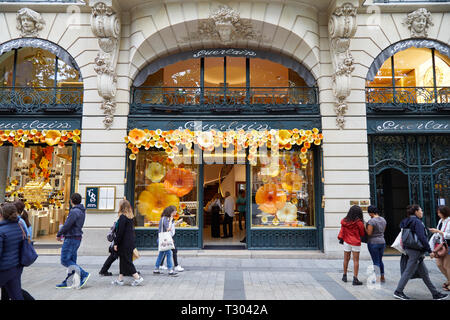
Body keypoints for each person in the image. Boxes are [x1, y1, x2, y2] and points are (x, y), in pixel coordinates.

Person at [393, 204, 448, 300]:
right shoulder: (417, 222)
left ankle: (435, 294)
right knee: (408, 271)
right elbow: (422, 237)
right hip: (415, 250)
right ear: (416, 212)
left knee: (424, 273)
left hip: (410, 248)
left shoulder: (407, 220)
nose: (422, 212)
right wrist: (429, 250)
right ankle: (398, 291)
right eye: (421, 210)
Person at [56, 193, 90, 289]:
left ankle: (84, 274)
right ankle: (69, 281)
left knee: (65, 260)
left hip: (71, 238)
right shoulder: (81, 211)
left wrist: (59, 234)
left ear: (71, 201)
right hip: (76, 237)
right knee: (72, 261)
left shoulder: (74, 211)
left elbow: (67, 225)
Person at [112, 200, 143, 286]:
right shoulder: (130, 218)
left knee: (127, 261)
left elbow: (120, 232)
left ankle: (137, 278)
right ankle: (120, 279)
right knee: (123, 260)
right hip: (129, 242)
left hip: (124, 243)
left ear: (121, 207)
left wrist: (116, 243)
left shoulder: (122, 217)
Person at [0, 203, 25, 300]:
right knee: (16, 296)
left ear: (2, 215)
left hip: (3, 268)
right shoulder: (19, 226)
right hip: (15, 267)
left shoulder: (1, 231)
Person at [338, 205, 365, 285]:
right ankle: (355, 279)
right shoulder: (359, 222)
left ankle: (344, 275)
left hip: (346, 241)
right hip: (355, 242)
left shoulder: (344, 221)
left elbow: (343, 231)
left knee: (346, 259)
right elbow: (362, 233)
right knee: (356, 260)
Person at [429, 205, 450, 292]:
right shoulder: (440, 221)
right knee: (439, 264)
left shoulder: (449, 221)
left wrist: (438, 231)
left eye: (439, 212)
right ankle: (449, 280)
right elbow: (438, 234)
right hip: (440, 245)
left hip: (448, 245)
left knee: (446, 265)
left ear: (444, 212)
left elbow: (448, 235)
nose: (438, 214)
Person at [153, 206, 178, 276]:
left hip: (162, 239)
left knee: (161, 254)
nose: (175, 212)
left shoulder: (165, 218)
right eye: (174, 211)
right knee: (169, 253)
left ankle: (156, 268)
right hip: (163, 239)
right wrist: (172, 221)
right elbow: (168, 229)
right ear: (170, 212)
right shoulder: (165, 219)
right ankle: (170, 270)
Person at [366, 205, 387, 283]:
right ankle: (382, 277)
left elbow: (369, 233)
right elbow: (383, 231)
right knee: (380, 260)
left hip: (373, 242)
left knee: (375, 261)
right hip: (382, 242)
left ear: (371, 213)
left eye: (369, 213)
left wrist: (365, 227)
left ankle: (377, 278)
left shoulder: (371, 221)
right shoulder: (383, 220)